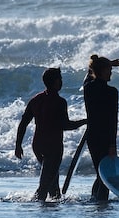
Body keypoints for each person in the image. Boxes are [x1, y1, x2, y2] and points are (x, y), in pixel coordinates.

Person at [15, 68, 86, 201]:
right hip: (53, 146)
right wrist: (86, 121)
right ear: (56, 82)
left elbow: (23, 123)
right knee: (46, 182)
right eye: (60, 79)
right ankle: (37, 206)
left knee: (52, 178)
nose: (62, 82)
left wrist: (18, 145)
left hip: (38, 145)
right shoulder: (60, 102)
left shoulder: (35, 100)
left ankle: (54, 203)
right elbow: (65, 125)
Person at [83, 55, 119, 201]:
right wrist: (112, 144)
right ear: (101, 71)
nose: (111, 72)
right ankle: (101, 206)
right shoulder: (111, 92)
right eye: (109, 69)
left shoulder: (88, 88)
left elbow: (88, 75)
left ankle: (95, 201)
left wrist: (106, 63)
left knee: (100, 173)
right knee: (107, 177)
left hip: (92, 137)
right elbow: (112, 120)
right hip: (105, 138)